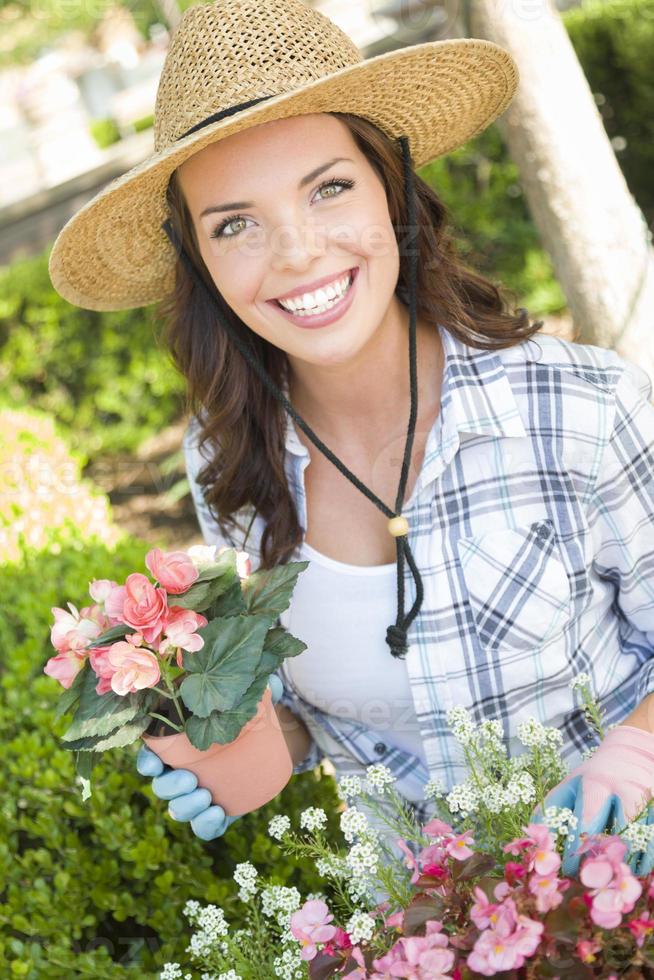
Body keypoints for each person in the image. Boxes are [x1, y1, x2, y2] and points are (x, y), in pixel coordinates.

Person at [48, 0, 654, 877]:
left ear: (392, 184)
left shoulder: (581, 404)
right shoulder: (222, 461)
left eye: (329, 187)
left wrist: (633, 763)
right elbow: (338, 712)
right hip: (420, 937)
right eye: (235, 224)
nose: (295, 253)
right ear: (200, 260)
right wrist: (256, 748)